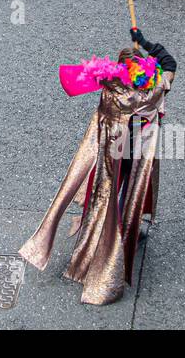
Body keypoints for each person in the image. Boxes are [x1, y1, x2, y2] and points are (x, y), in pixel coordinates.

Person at [19, 29, 176, 305]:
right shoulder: (156, 87)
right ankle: (126, 235)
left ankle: (93, 249)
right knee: (130, 196)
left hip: (110, 154)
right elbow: (169, 62)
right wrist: (145, 42)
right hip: (137, 155)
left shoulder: (111, 90)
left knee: (104, 198)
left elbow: (75, 79)